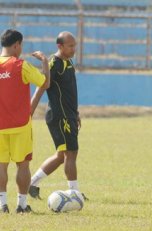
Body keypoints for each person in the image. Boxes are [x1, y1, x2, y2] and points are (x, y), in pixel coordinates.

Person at [29, 31, 87, 200]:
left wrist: (75, 112)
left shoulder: (68, 63)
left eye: (74, 45)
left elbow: (70, 91)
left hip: (68, 114)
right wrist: (30, 111)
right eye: (70, 46)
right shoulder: (54, 64)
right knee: (71, 153)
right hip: (59, 115)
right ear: (59, 46)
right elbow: (42, 85)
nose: (73, 49)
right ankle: (74, 192)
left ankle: (31, 183)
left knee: (62, 156)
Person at [0, 29, 50, 213]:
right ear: (16, 45)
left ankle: (2, 204)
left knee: (1, 165)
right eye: (20, 46)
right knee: (23, 164)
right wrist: (45, 61)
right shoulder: (22, 65)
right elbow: (45, 83)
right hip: (20, 125)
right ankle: (21, 205)